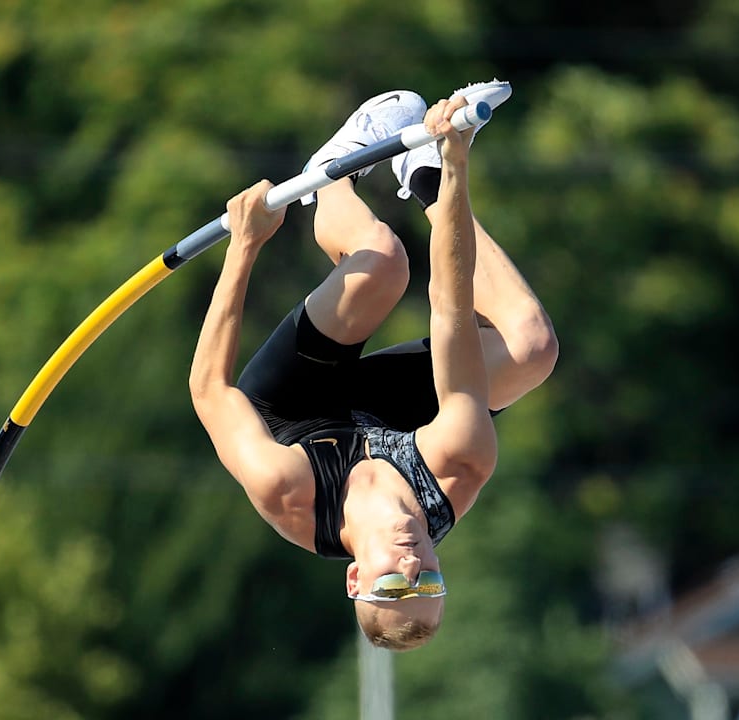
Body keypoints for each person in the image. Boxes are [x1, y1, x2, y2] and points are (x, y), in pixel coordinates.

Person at [188, 82, 557, 651]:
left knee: (383, 263)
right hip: (394, 417)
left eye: (392, 587)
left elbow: (210, 391)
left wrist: (244, 246)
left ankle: (330, 178)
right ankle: (424, 172)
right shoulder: (457, 466)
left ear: (355, 578)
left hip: (293, 404)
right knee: (531, 347)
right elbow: (452, 310)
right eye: (429, 582)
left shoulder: (288, 489)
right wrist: (455, 167)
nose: (412, 567)